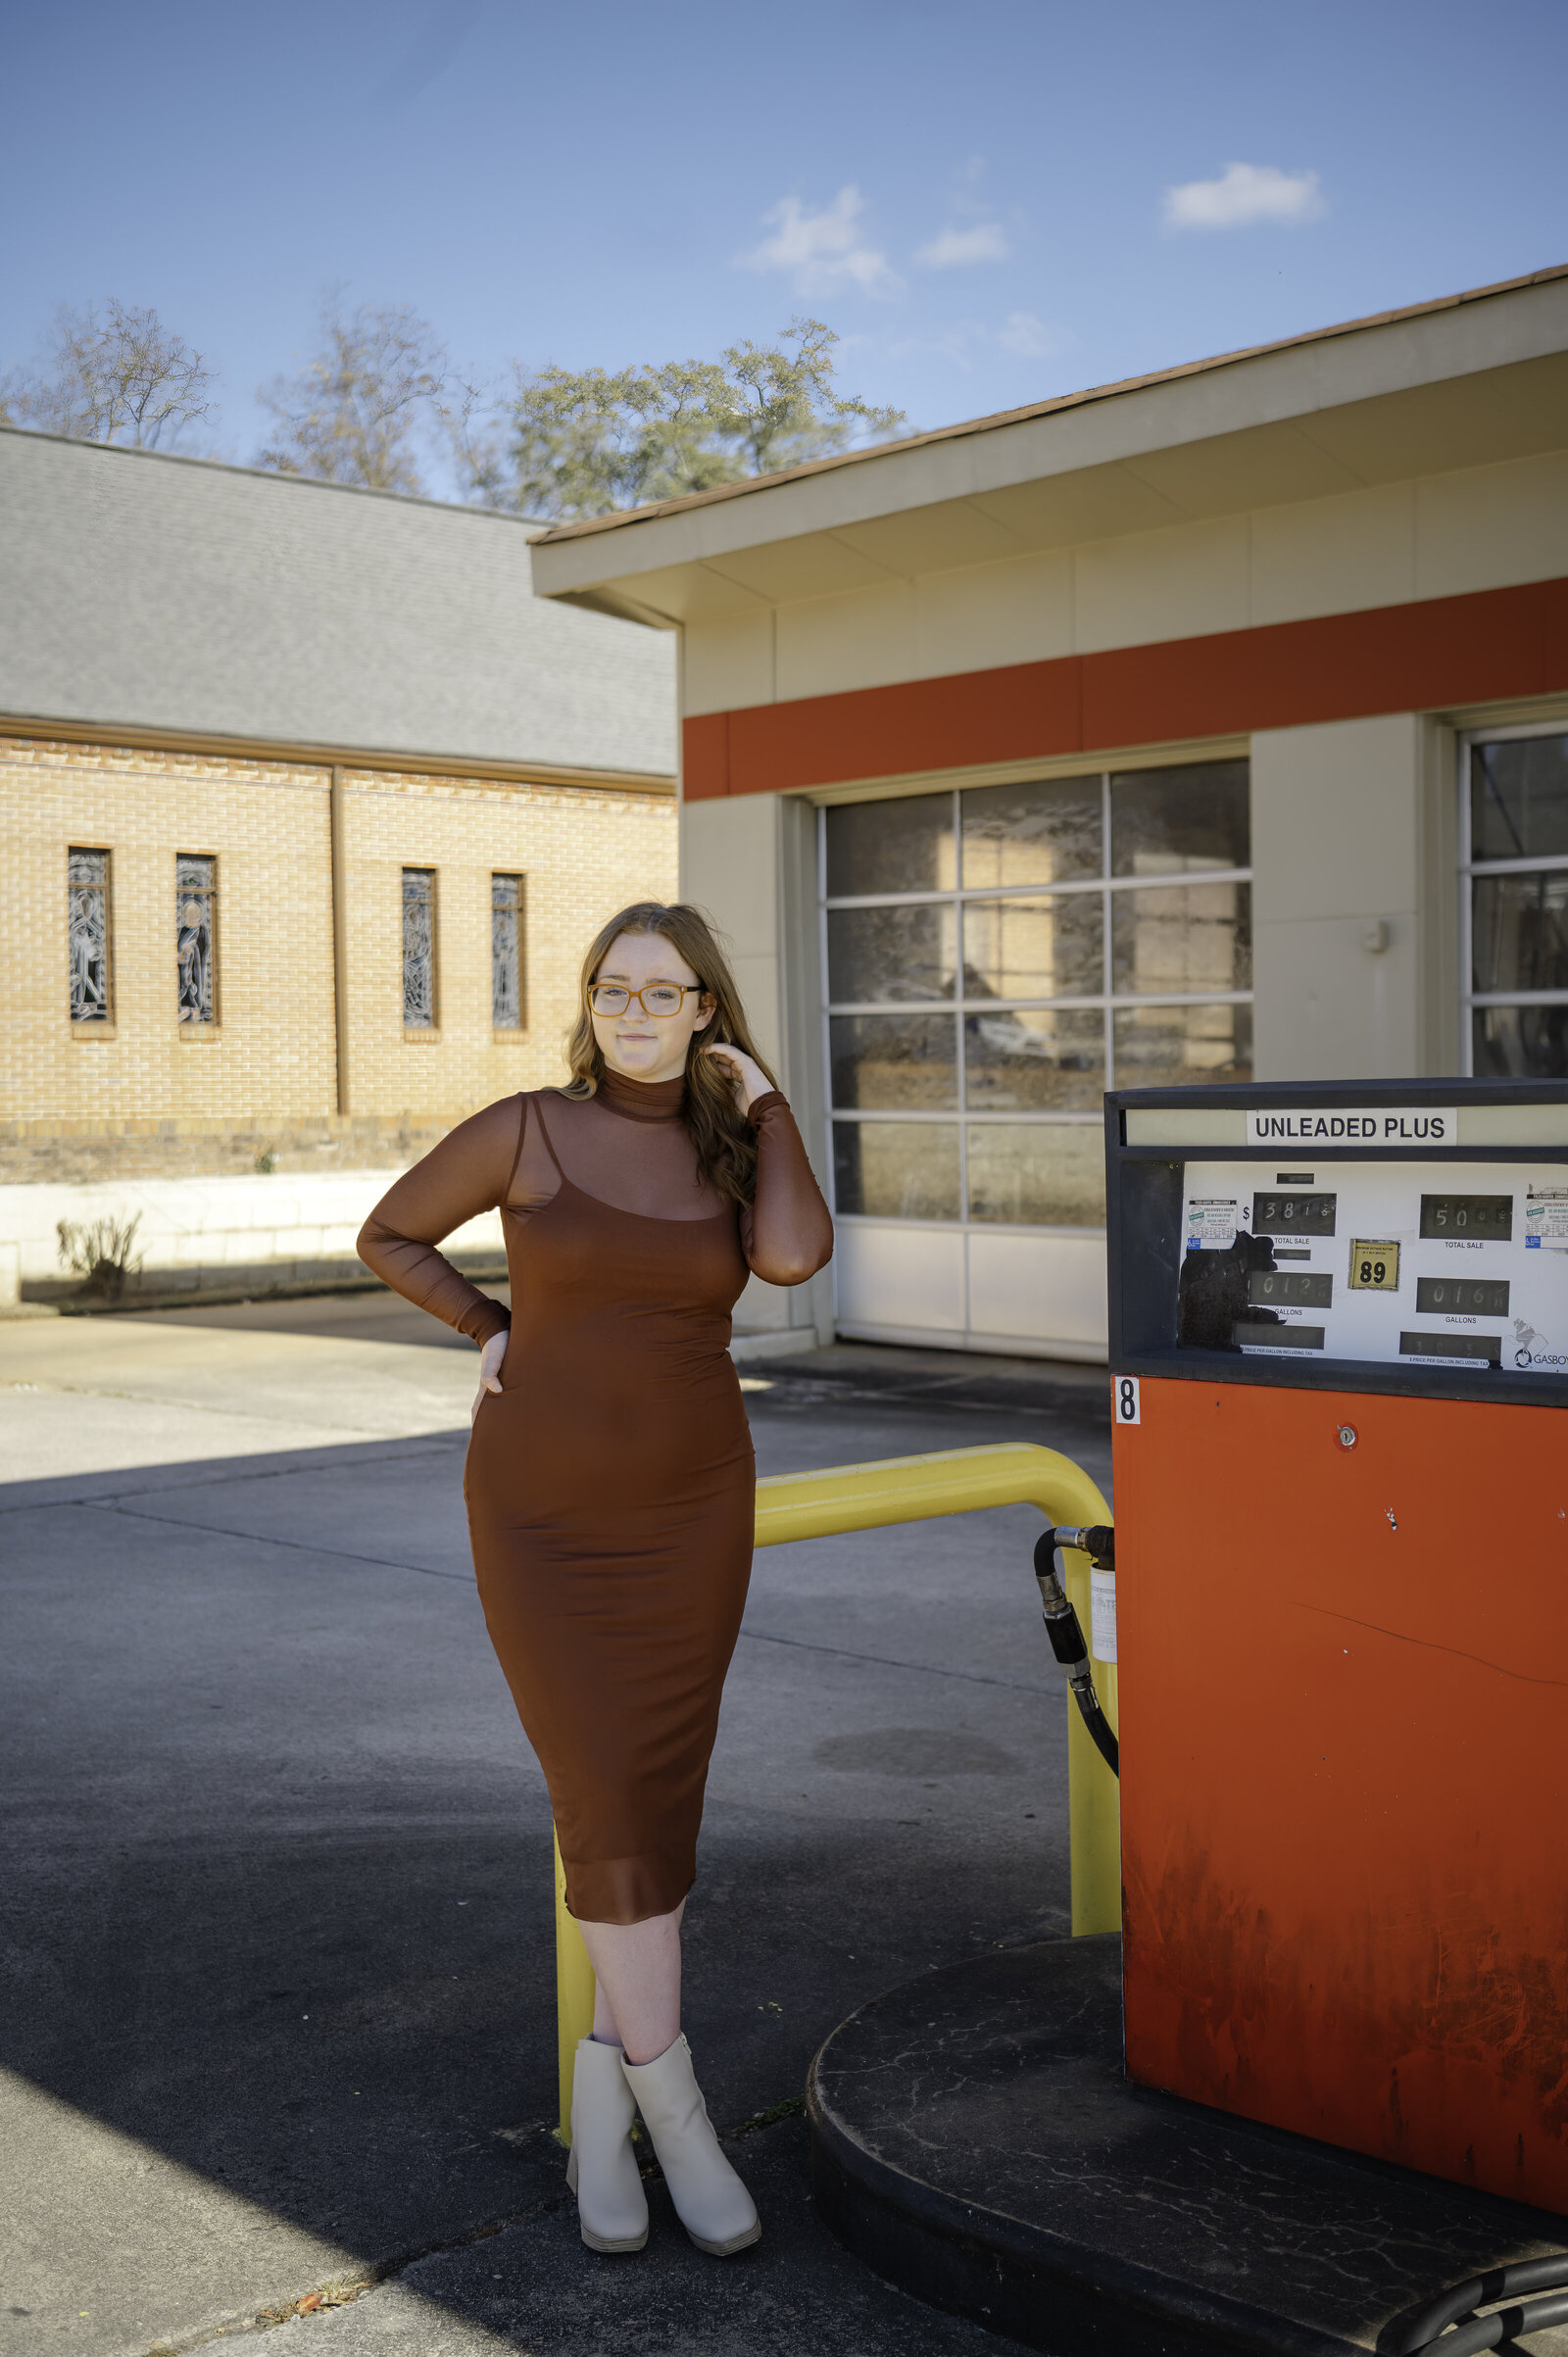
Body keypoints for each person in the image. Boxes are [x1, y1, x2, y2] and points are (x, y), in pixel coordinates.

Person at [357, 901, 833, 2259]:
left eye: (665, 991)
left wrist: (774, 1103)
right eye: (614, 988)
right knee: (602, 1791)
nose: (635, 1009)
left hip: (692, 1509)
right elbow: (391, 1233)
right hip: (543, 1514)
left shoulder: (733, 1146)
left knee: (656, 1792)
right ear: (591, 1001)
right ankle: (674, 2106)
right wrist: (490, 1324)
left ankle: (599, 2096)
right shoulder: (527, 1126)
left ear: (705, 1011)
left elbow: (794, 1257)